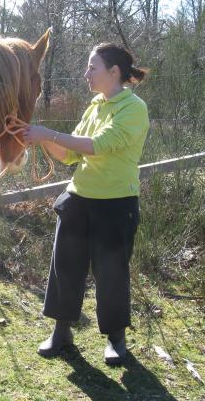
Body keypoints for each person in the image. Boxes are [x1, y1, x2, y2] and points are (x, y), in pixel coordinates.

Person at [22, 43, 150, 365]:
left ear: (114, 72)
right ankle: (61, 332)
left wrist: (49, 132)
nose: (86, 73)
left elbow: (98, 145)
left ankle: (116, 338)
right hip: (79, 198)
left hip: (116, 204)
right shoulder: (94, 106)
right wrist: (44, 139)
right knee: (65, 267)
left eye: (92, 67)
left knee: (111, 272)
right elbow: (71, 154)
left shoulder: (133, 109)